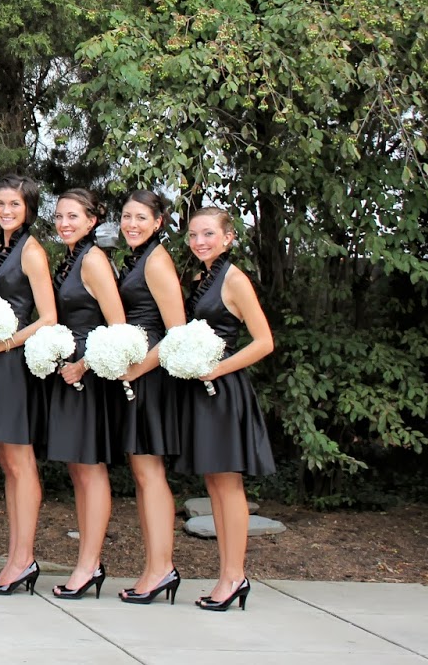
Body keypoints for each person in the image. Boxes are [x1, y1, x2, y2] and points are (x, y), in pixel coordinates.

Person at [178, 207, 275, 612]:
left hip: (224, 389)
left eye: (208, 234)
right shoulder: (200, 278)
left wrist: (218, 368)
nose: (199, 241)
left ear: (228, 237)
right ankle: (228, 576)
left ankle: (235, 577)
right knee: (214, 484)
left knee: (228, 484)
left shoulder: (234, 279)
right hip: (201, 391)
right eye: (193, 235)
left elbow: (264, 341)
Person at [0, 174, 57, 596]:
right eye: (1, 204)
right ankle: (15, 556)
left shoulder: (32, 251)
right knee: (7, 462)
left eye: (15, 205)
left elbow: (49, 316)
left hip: (14, 363)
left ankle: (24, 559)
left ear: (29, 209)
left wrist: (7, 342)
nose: (6, 211)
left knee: (21, 462)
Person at [40, 189, 126, 599]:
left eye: (73, 216)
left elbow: (117, 324)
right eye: (59, 216)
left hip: (87, 376)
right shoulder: (71, 258)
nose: (64, 223)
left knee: (90, 470)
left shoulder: (93, 260)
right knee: (78, 470)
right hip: (69, 373)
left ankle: (89, 565)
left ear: (92, 221)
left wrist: (84, 364)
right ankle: (87, 562)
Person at [114, 190, 185, 604]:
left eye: (141, 217)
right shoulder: (138, 258)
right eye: (127, 216)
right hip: (136, 374)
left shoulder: (157, 261)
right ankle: (155, 567)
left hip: (150, 376)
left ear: (158, 222)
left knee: (150, 472)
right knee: (142, 473)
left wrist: (138, 370)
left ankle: (161, 569)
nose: (132, 224)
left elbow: (177, 331)